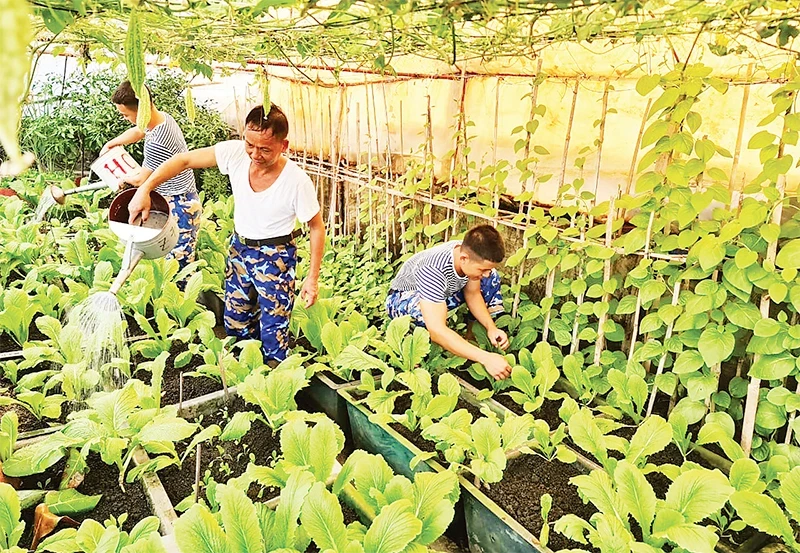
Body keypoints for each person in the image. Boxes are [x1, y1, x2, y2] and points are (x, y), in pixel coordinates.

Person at [127, 104, 324, 363]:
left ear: (283, 145)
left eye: (265, 149)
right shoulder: (235, 154)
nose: (255, 154)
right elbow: (184, 160)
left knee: (274, 329)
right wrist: (146, 189)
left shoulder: (297, 180)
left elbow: (316, 226)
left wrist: (312, 278)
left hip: (275, 257)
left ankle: (274, 382)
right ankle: (246, 379)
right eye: (249, 144)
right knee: (235, 322)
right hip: (240, 250)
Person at [386, 225, 512, 380]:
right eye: (482, 269)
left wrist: (491, 328)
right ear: (464, 259)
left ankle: (469, 341)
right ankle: (412, 354)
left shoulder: (469, 253)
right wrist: (486, 358)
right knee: (425, 317)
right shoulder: (432, 269)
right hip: (402, 299)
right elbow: (437, 330)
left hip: (441, 293)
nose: (485, 273)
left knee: (490, 280)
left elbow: (473, 294)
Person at [101, 80, 201, 271]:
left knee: (178, 266)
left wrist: (121, 179)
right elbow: (139, 131)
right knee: (165, 264)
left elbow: (141, 180)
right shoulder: (161, 119)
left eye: (126, 115)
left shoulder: (159, 142)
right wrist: (112, 144)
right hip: (177, 196)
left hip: (180, 206)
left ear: (141, 110)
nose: (125, 119)